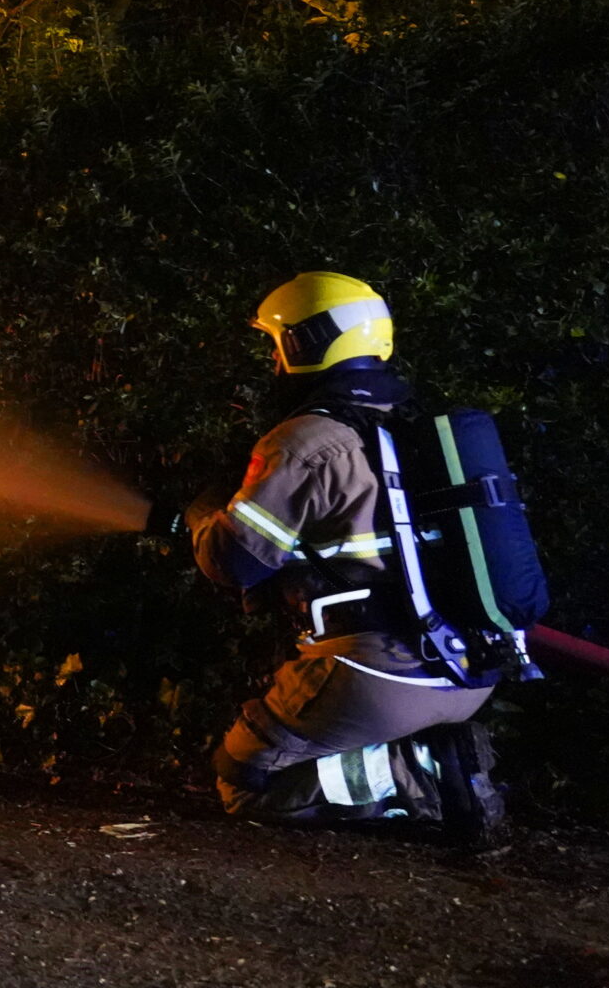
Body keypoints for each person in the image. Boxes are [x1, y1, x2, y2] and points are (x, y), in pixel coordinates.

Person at [167, 271, 508, 849]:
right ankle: (431, 756)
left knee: (245, 780)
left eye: (276, 344)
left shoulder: (306, 440)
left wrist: (201, 515)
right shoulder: (413, 429)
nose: (271, 360)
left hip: (376, 673)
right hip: (469, 668)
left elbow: (232, 561)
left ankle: (418, 772)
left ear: (304, 343)